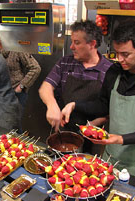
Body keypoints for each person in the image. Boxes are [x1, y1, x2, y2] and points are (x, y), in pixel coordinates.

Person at [61, 19, 135, 180]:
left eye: (126, 54)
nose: (120, 59)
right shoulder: (114, 72)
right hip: (110, 155)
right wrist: (74, 105)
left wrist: (120, 139)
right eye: (117, 53)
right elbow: (103, 105)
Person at [38, 20, 112, 153]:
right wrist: (52, 105)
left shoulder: (109, 70)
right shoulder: (66, 62)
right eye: (72, 41)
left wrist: (88, 127)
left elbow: (112, 109)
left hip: (92, 135)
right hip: (63, 129)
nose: (71, 47)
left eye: (76, 43)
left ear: (92, 44)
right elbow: (45, 87)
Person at [0, 21, 41, 109]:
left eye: (2, 31)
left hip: (15, 95)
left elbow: (35, 68)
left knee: (13, 122)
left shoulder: (17, 48)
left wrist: (21, 86)